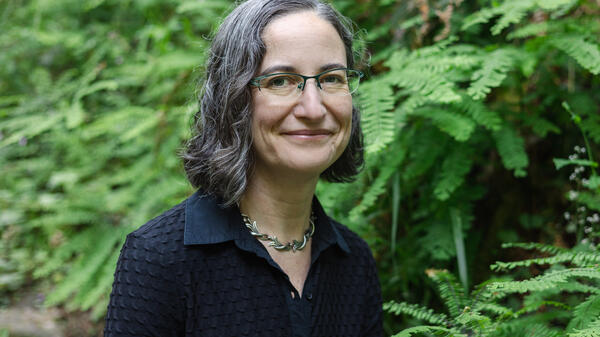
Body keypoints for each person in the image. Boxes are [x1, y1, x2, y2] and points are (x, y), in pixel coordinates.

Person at [103, 0, 382, 336]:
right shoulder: (159, 258)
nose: (313, 107)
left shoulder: (354, 261)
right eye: (280, 81)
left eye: (332, 78)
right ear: (232, 99)